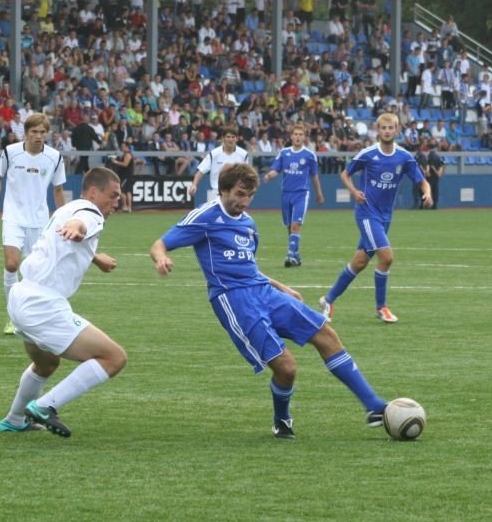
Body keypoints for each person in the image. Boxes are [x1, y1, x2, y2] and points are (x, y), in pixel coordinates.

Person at [150, 163, 390, 439]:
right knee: (287, 368)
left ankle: (373, 405)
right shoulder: (204, 217)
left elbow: (248, 267)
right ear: (223, 190)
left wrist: (282, 286)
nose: (244, 201)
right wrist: (162, 258)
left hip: (264, 292)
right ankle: (282, 419)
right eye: (239, 194)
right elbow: (159, 243)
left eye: (249, 195)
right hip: (234, 300)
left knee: (326, 334)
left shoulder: (249, 224)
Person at [0, 167, 126, 435]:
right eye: (113, 196)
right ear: (93, 192)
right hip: (42, 306)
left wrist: (94, 255)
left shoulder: (65, 209)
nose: (117, 203)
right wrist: (76, 227)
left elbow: (67, 235)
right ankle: (46, 406)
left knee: (46, 364)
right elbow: (81, 224)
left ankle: (14, 419)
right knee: (114, 358)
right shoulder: (90, 213)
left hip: (20, 296)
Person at [319, 113, 432, 324]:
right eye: (383, 128)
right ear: (377, 130)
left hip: (385, 216)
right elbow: (345, 173)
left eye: (391, 128)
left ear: (397, 130)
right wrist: (354, 191)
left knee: (360, 262)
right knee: (387, 257)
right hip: (366, 213)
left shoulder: (404, 157)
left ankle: (328, 299)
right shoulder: (368, 154)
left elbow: (422, 181)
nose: (387, 131)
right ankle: (381, 307)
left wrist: (428, 192)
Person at [0, 113, 67, 335]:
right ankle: (13, 316)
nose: (38, 136)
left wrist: (62, 218)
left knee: (34, 273)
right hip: (13, 217)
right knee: (12, 264)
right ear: (26, 133)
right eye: (34, 132)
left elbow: (58, 189)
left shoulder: (54, 157)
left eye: (42, 132)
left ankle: (33, 315)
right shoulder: (11, 152)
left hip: (40, 221)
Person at [261, 124, 323, 267]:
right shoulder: (284, 153)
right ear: (291, 136)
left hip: (301, 194)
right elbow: (276, 169)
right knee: (289, 227)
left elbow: (314, 176)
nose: (298, 137)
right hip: (286, 194)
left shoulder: (309, 155)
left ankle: (290, 256)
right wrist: (270, 175)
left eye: (301, 134)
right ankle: (296, 255)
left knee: (296, 225)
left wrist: (319, 194)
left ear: (304, 137)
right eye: (295, 134)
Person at [188, 125, 250, 203]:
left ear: (237, 139)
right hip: (217, 193)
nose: (230, 139)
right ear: (223, 138)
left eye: (233, 137)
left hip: (235, 194)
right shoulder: (214, 154)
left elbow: (246, 174)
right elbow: (201, 171)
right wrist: (194, 184)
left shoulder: (243, 154)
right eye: (228, 137)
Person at [108, 140, 135, 212]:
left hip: (126, 176)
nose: (121, 148)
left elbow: (125, 164)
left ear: (127, 147)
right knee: (128, 191)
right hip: (127, 175)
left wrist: (115, 162)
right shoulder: (126, 154)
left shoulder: (127, 155)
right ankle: (129, 208)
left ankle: (125, 206)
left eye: (123, 146)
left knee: (122, 191)